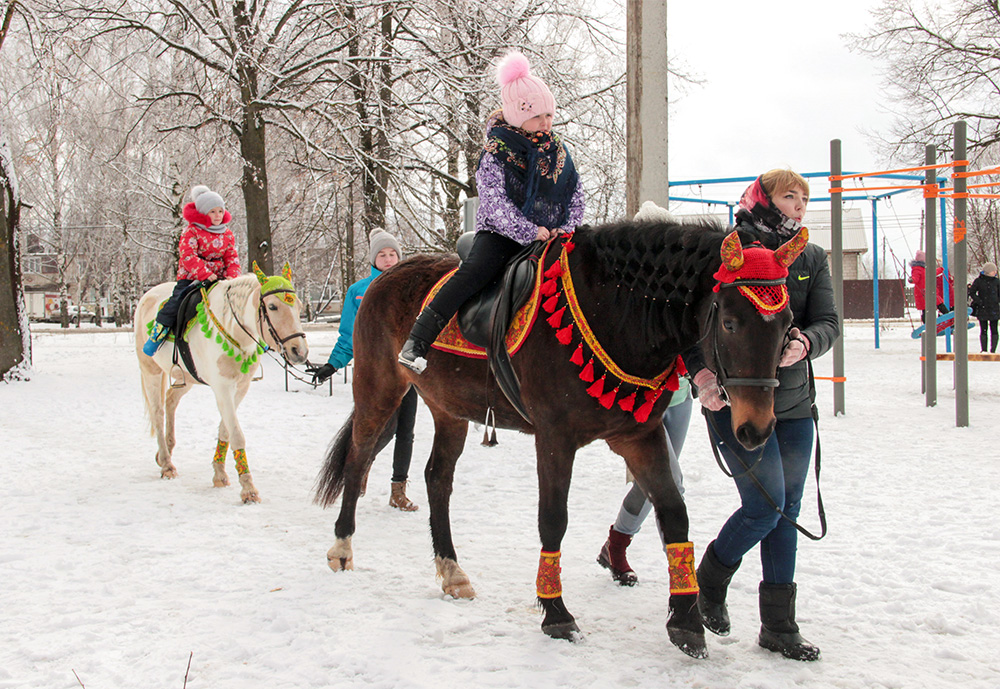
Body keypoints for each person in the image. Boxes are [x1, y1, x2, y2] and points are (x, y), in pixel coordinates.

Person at [688, 170, 839, 662]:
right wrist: (701, 375)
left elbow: (828, 321)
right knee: (766, 504)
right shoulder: (727, 251)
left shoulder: (810, 257)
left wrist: (806, 341)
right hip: (736, 400)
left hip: (794, 402)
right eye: (788, 195)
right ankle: (710, 578)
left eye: (804, 197)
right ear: (764, 198)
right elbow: (689, 322)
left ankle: (778, 625)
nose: (798, 204)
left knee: (788, 509)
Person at [397, 51, 585, 373]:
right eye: (538, 116)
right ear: (517, 115)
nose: (546, 123)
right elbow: (494, 202)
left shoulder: (559, 153)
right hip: (502, 233)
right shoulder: (496, 152)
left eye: (549, 116)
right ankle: (419, 339)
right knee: (474, 273)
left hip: (553, 235)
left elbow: (576, 195)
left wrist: (566, 227)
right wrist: (528, 230)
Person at [306, 228, 420, 511]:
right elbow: (349, 335)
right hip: (377, 373)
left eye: (393, 253)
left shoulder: (412, 288)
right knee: (384, 427)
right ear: (373, 259)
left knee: (406, 430)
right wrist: (332, 366)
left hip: (409, 370)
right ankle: (363, 465)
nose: (389, 258)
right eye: (382, 254)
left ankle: (398, 491)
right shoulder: (359, 292)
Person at [597, 377, 692, 586]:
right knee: (669, 485)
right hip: (640, 398)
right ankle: (682, 574)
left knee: (649, 484)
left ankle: (615, 547)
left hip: (680, 395)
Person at [143, 185, 241, 356]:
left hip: (220, 280)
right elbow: (188, 256)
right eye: (212, 212)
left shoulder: (227, 234)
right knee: (178, 300)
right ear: (203, 213)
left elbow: (232, 258)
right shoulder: (191, 231)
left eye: (220, 211)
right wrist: (205, 274)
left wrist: (232, 278)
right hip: (192, 278)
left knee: (239, 303)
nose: (218, 215)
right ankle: (159, 332)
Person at [909, 250, 954, 324]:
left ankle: (947, 315)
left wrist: (941, 269)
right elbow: (915, 278)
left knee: (938, 302)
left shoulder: (924, 269)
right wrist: (912, 279)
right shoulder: (917, 269)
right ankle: (928, 323)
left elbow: (933, 273)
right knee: (926, 308)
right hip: (922, 292)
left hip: (929, 290)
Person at [969, 262, 1000, 353]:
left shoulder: (996, 281)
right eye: (993, 270)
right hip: (983, 308)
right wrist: (979, 301)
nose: (995, 272)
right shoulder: (979, 281)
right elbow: (972, 292)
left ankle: (993, 350)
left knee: (994, 329)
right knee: (983, 330)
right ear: (988, 271)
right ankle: (984, 350)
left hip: (994, 308)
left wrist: (996, 301)